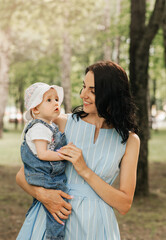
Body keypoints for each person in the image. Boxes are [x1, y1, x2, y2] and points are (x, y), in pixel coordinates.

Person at [16, 61, 140, 240]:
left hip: (96, 227)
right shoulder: (62, 122)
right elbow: (22, 175)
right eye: (84, 87)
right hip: (52, 219)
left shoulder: (129, 141)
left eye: (93, 90)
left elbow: (124, 204)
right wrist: (44, 196)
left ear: (112, 94)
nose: (83, 95)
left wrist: (85, 171)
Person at [16, 82, 72, 240]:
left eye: (56, 99)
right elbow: (43, 154)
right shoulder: (39, 128)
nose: (55, 102)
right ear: (35, 109)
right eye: (49, 100)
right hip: (45, 175)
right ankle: (54, 237)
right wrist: (64, 155)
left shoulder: (49, 126)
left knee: (43, 207)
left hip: (45, 175)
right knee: (57, 211)